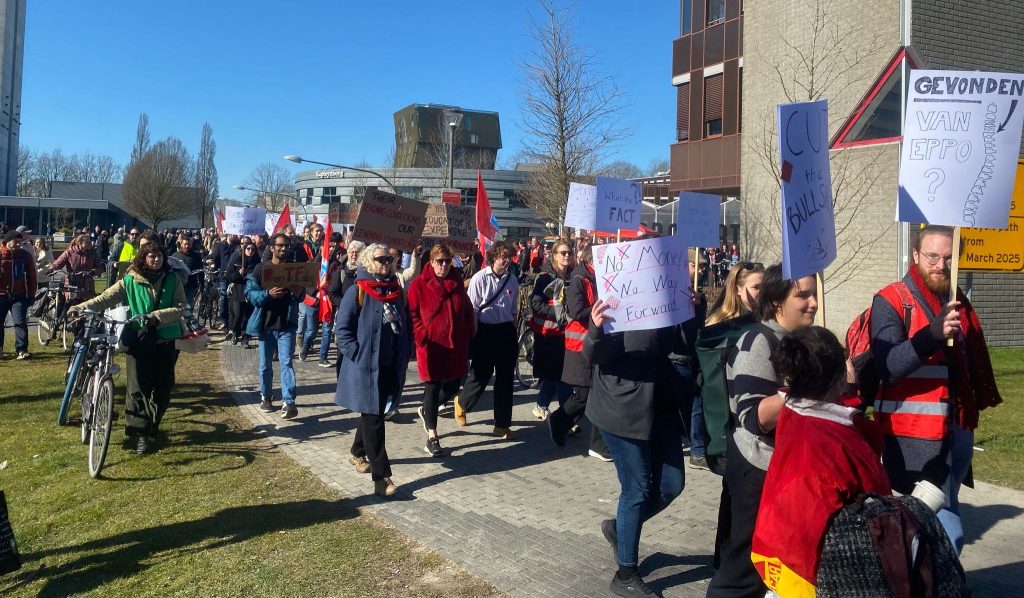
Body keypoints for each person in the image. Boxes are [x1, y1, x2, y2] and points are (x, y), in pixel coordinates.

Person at [869, 224, 1001, 553]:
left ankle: (921, 577)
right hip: (915, 438)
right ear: (915, 255)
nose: (940, 265)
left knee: (931, 525)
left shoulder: (959, 303)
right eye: (932, 256)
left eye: (948, 258)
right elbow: (888, 366)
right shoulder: (892, 299)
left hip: (957, 429)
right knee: (946, 534)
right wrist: (932, 335)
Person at [749, 326, 891, 596]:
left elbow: (818, 403)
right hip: (813, 574)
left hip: (778, 554)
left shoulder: (794, 415)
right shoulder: (838, 444)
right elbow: (878, 499)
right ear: (839, 377)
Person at [707, 264, 818, 597]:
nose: (813, 303)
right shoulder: (758, 342)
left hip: (789, 470)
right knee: (744, 571)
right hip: (758, 471)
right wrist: (803, 386)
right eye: (803, 295)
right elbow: (754, 417)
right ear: (777, 302)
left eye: (814, 294)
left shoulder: (805, 341)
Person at [584, 296, 683, 597]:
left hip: (659, 402)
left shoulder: (666, 296)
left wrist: (691, 310)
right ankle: (625, 574)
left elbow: (681, 346)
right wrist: (597, 329)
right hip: (622, 407)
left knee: (671, 484)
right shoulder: (615, 298)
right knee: (637, 489)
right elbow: (594, 355)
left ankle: (620, 529)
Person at [70, 242, 185, 454]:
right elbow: (106, 297)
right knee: (137, 388)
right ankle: (140, 433)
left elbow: (180, 307)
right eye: (152, 256)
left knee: (163, 388)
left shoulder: (172, 278)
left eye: (159, 256)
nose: (156, 259)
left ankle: (152, 424)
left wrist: (156, 316)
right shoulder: (130, 280)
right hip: (139, 339)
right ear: (143, 258)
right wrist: (80, 307)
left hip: (164, 339)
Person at [334, 243, 413, 497]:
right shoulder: (357, 290)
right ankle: (381, 478)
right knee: (375, 420)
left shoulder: (395, 291)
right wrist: (356, 353)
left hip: (389, 365)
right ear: (369, 261)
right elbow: (342, 330)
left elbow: (406, 323)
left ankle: (357, 451)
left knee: (374, 413)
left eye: (389, 259)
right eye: (381, 259)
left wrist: (407, 351)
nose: (386, 263)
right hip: (365, 368)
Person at [407, 244, 475, 458]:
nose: (444, 265)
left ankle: (427, 409)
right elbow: (412, 314)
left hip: (455, 345)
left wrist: (468, 330)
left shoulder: (456, 282)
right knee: (433, 387)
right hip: (432, 346)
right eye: (439, 261)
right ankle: (432, 436)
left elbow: (467, 308)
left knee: (454, 385)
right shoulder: (419, 284)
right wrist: (422, 335)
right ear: (431, 261)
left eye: (447, 261)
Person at [547, 245, 610, 459]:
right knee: (584, 395)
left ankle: (598, 444)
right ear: (593, 261)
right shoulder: (579, 280)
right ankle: (558, 420)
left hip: (595, 344)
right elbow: (576, 311)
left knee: (598, 393)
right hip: (580, 346)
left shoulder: (597, 278)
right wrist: (599, 311)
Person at [455, 241, 519, 438]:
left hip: (505, 331)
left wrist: (513, 331)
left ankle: (502, 424)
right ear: (494, 257)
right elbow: (473, 309)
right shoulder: (480, 278)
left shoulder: (512, 280)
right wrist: (474, 335)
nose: (506, 261)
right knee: (481, 374)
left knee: (505, 379)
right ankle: (462, 402)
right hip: (484, 330)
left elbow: (513, 308)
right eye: (503, 257)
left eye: (509, 258)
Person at [245, 233, 305, 419]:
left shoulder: (294, 268)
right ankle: (266, 397)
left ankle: (289, 402)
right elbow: (250, 295)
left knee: (286, 363)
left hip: (286, 325)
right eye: (280, 245)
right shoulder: (261, 268)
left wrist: (298, 291)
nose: (284, 248)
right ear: (272, 247)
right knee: (265, 366)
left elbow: (301, 295)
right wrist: (267, 294)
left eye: (286, 245)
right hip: (266, 325)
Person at [669, 249, 710, 470]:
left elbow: (696, 331)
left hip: (691, 357)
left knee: (695, 403)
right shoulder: (673, 292)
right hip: (675, 358)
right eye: (696, 266)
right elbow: (681, 334)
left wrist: (698, 306)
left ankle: (697, 450)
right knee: (683, 406)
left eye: (702, 266)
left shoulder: (698, 296)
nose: (700, 270)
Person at [530, 239, 574, 421]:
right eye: (563, 253)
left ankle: (543, 406)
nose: (567, 256)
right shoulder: (545, 278)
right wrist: (558, 312)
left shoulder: (573, 277)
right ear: (554, 255)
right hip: (548, 335)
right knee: (559, 375)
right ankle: (566, 417)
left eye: (569, 253)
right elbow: (536, 304)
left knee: (560, 375)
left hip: (566, 333)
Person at [0, 230, 37, 359]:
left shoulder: (25, 255)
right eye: (15, 242)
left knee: (20, 322)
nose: (18, 245)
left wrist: (31, 294)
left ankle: (22, 350)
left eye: (20, 242)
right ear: (6, 241)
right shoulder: (1, 254)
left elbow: (31, 276)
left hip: (19, 294)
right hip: (1, 294)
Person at [225, 240, 259, 346]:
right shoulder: (238, 260)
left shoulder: (257, 262)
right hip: (238, 290)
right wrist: (238, 273)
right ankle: (235, 332)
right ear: (244, 249)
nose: (250, 251)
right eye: (248, 249)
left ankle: (245, 338)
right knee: (238, 315)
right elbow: (229, 275)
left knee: (248, 316)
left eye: (253, 249)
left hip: (251, 291)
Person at [213, 234, 241, 330]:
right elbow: (216, 258)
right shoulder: (220, 246)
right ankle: (224, 320)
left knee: (233, 298)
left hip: (235, 276)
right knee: (224, 297)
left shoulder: (238, 246)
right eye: (232, 234)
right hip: (224, 275)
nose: (234, 235)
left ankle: (232, 320)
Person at [170, 237, 203, 308]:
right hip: (178, 285)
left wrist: (202, 284)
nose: (187, 246)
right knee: (177, 306)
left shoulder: (196, 256)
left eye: (189, 244)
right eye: (185, 244)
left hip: (190, 285)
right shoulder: (175, 255)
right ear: (181, 244)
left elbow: (200, 270)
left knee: (188, 307)